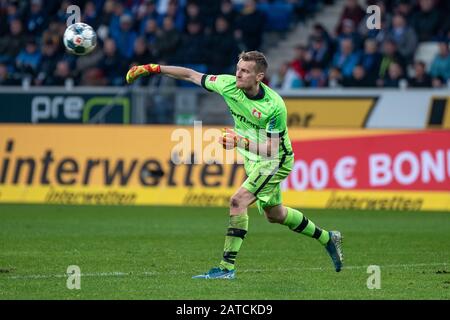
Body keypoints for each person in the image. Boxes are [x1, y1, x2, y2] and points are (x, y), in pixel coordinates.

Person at [125, 51, 343, 279]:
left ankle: (226, 268)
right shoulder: (228, 85)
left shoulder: (274, 106)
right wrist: (152, 68)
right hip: (253, 158)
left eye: (245, 71)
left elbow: (272, 149)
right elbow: (190, 75)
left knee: (238, 201)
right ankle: (328, 238)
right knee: (275, 214)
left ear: (259, 77)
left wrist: (240, 141)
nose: (238, 74)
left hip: (275, 160)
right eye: (238, 68)